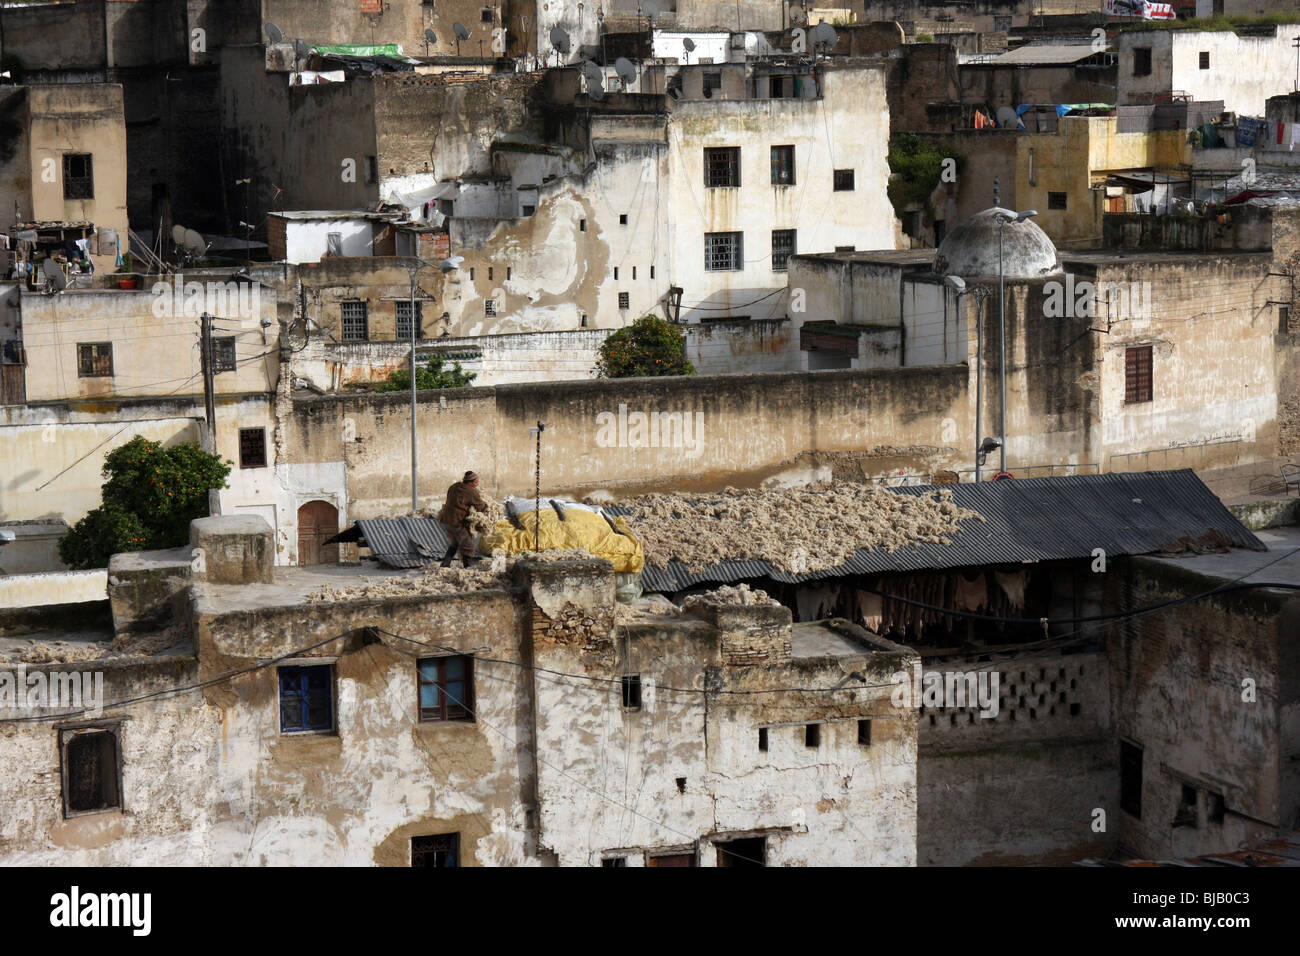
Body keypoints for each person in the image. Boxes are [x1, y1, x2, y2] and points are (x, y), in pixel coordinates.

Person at [438, 470, 487, 567]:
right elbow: (480, 506)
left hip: (446, 519)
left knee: (455, 542)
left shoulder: (454, 486)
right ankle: (467, 567)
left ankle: (445, 564)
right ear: (470, 482)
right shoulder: (471, 491)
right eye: (476, 482)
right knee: (468, 545)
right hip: (457, 522)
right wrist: (487, 507)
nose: (477, 484)